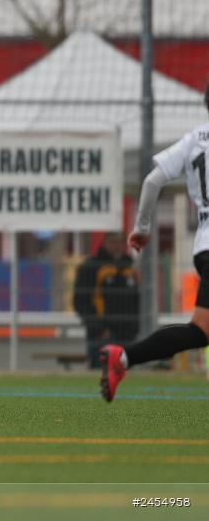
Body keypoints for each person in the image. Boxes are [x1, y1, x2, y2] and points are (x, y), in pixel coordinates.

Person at [100, 85, 209, 402]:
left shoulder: (194, 140)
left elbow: (151, 181)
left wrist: (142, 227)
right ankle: (123, 358)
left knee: (201, 330)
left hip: (204, 245)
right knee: (200, 331)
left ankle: (122, 359)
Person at [72, 232, 139, 368]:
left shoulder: (130, 267)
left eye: (120, 242)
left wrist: (134, 329)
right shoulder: (91, 267)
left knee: (127, 380)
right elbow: (80, 302)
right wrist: (98, 329)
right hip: (101, 337)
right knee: (102, 378)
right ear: (104, 243)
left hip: (128, 336)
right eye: (113, 242)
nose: (117, 246)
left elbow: (137, 301)